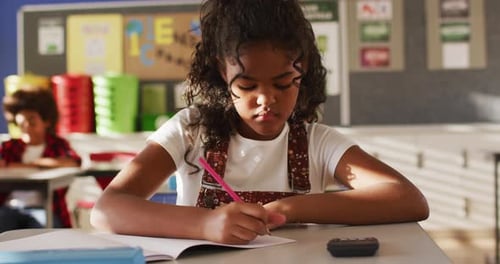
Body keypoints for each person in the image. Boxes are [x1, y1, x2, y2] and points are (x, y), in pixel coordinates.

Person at [91, 0, 429, 244]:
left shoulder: (317, 142)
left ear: (304, 68)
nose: (266, 99)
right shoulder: (192, 130)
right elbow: (107, 210)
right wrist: (205, 225)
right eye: (247, 85)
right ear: (223, 72)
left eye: (283, 84)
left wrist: (290, 208)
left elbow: (408, 199)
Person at [0, 88, 82, 228]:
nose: (27, 127)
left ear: (46, 122)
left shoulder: (57, 144)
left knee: (48, 230)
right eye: (22, 123)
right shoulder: (9, 146)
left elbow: (73, 162)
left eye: (32, 122)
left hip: (45, 208)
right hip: (10, 207)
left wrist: (30, 164)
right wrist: (41, 165)